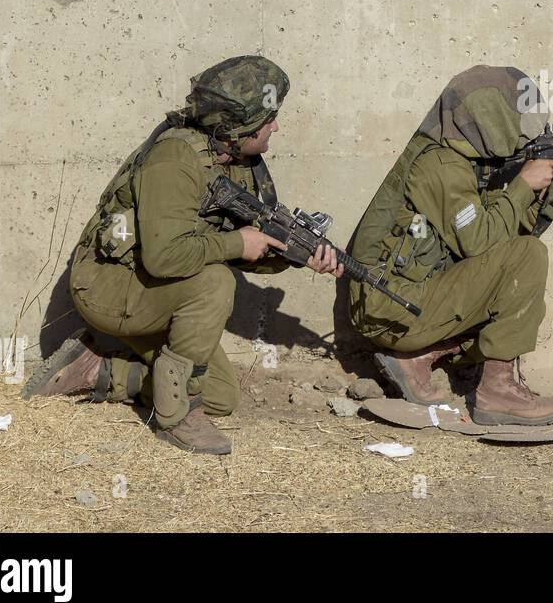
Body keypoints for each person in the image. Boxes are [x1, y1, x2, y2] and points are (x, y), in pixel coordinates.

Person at [22, 56, 343, 454]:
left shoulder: (235, 161)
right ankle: (177, 419)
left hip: (157, 289)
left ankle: (98, 369)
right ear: (232, 130)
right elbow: (165, 257)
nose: (275, 126)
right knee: (215, 281)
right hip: (111, 287)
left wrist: (294, 254)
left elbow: (240, 241)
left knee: (224, 396)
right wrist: (238, 244)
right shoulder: (174, 160)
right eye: (266, 121)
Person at [347, 65, 553, 426]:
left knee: (515, 263)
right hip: (388, 309)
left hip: (407, 298)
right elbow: (483, 243)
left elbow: (508, 231)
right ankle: (497, 392)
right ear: (489, 119)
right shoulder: (440, 166)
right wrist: (523, 183)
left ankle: (417, 358)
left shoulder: (468, 159)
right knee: (528, 258)